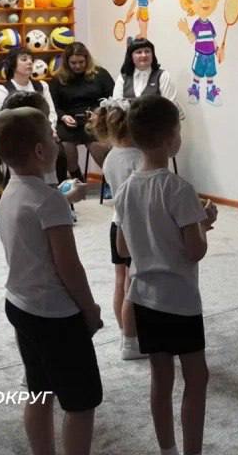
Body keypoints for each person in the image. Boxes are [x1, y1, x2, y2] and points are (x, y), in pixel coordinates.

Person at [0, 106, 102, 455]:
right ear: (40, 151)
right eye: (53, 137)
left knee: (39, 391)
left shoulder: (11, 191)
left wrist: (61, 199)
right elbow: (68, 265)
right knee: (81, 404)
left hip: (20, 304)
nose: (57, 141)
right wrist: (89, 308)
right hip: (56, 315)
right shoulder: (48, 200)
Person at [114, 96, 217, 455]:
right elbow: (195, 250)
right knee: (197, 377)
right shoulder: (179, 189)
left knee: (160, 379)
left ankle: (167, 450)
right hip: (180, 300)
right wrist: (203, 224)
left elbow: (123, 247)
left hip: (144, 298)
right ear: (171, 139)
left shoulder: (126, 189)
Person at [90, 98, 144, 360]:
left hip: (116, 223)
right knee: (134, 282)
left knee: (121, 279)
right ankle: (132, 342)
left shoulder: (111, 157)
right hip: (135, 226)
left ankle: (126, 333)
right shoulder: (140, 158)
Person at [49, 42, 115, 182]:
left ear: (87, 60)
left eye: (81, 62)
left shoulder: (100, 74)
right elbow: (53, 105)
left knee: (97, 145)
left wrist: (99, 113)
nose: (78, 66)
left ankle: (110, 179)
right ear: (67, 63)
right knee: (65, 145)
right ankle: (77, 178)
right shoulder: (57, 79)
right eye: (73, 63)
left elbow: (112, 99)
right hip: (69, 122)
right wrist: (63, 116)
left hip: (95, 121)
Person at [112, 38, 176, 104]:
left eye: (147, 51)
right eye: (139, 52)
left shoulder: (163, 76)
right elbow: (116, 105)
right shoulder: (123, 78)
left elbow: (170, 105)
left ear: (152, 55)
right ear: (131, 57)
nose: (144, 55)